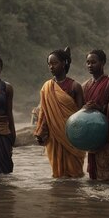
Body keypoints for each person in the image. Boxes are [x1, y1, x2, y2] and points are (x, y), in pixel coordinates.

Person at [34, 48, 85, 178]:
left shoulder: (75, 86)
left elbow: (81, 115)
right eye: (49, 64)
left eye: (54, 63)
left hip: (72, 136)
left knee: (75, 175)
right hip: (54, 136)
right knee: (58, 176)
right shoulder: (47, 87)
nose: (51, 67)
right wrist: (40, 131)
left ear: (64, 63)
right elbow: (44, 112)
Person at [82, 49, 109, 182]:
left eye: (93, 62)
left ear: (103, 63)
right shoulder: (85, 86)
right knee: (95, 175)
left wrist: (100, 108)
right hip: (92, 134)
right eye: (88, 62)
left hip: (108, 133)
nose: (90, 65)